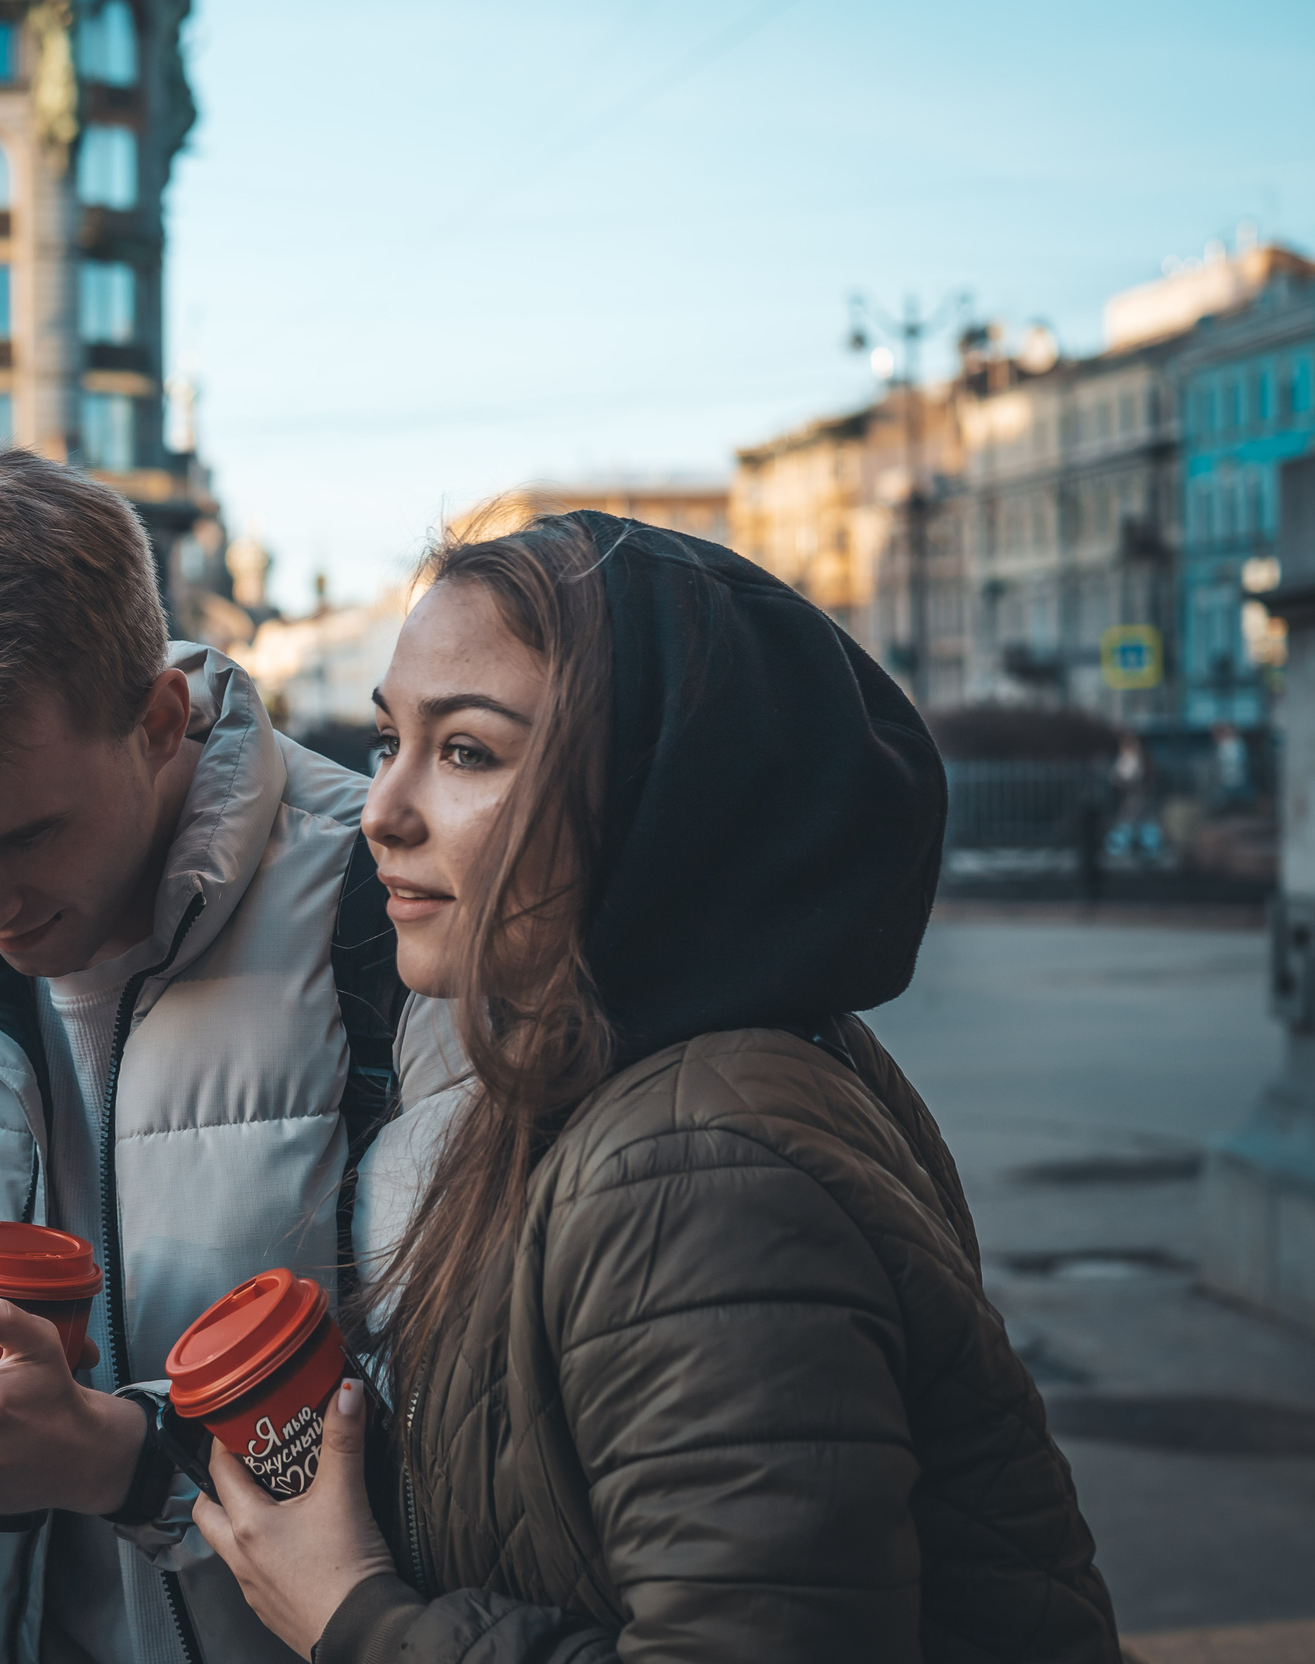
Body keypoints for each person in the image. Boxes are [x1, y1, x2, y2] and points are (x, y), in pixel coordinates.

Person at [189, 512, 1119, 1662]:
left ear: (661, 795)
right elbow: (532, 1500)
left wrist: (359, 1624)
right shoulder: (596, 1082)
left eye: (468, 751)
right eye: (391, 743)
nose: (382, 810)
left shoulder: (694, 1173)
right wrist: (138, 1462)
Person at [0, 449, 463, 1663]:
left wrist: (126, 1462)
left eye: (22, 839)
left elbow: (485, 1439)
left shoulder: (392, 919)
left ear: (158, 722)